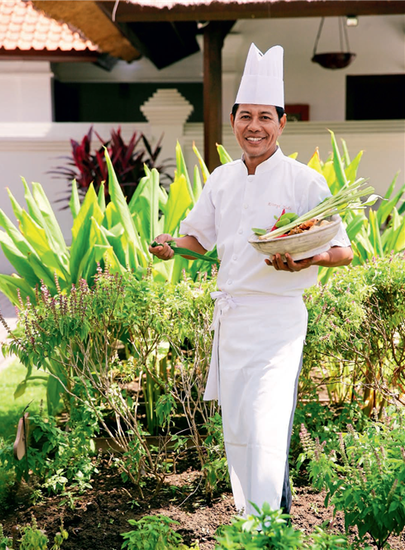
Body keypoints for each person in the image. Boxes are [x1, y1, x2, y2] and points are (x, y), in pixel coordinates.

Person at [149, 43, 353, 516]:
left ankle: (267, 524)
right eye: (245, 116)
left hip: (279, 321)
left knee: (267, 422)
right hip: (233, 320)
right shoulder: (221, 179)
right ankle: (252, 519)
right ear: (234, 120)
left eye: (265, 117)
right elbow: (198, 241)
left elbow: (344, 250)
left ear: (282, 123)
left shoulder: (305, 182)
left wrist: (308, 261)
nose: (254, 126)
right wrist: (169, 245)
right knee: (239, 427)